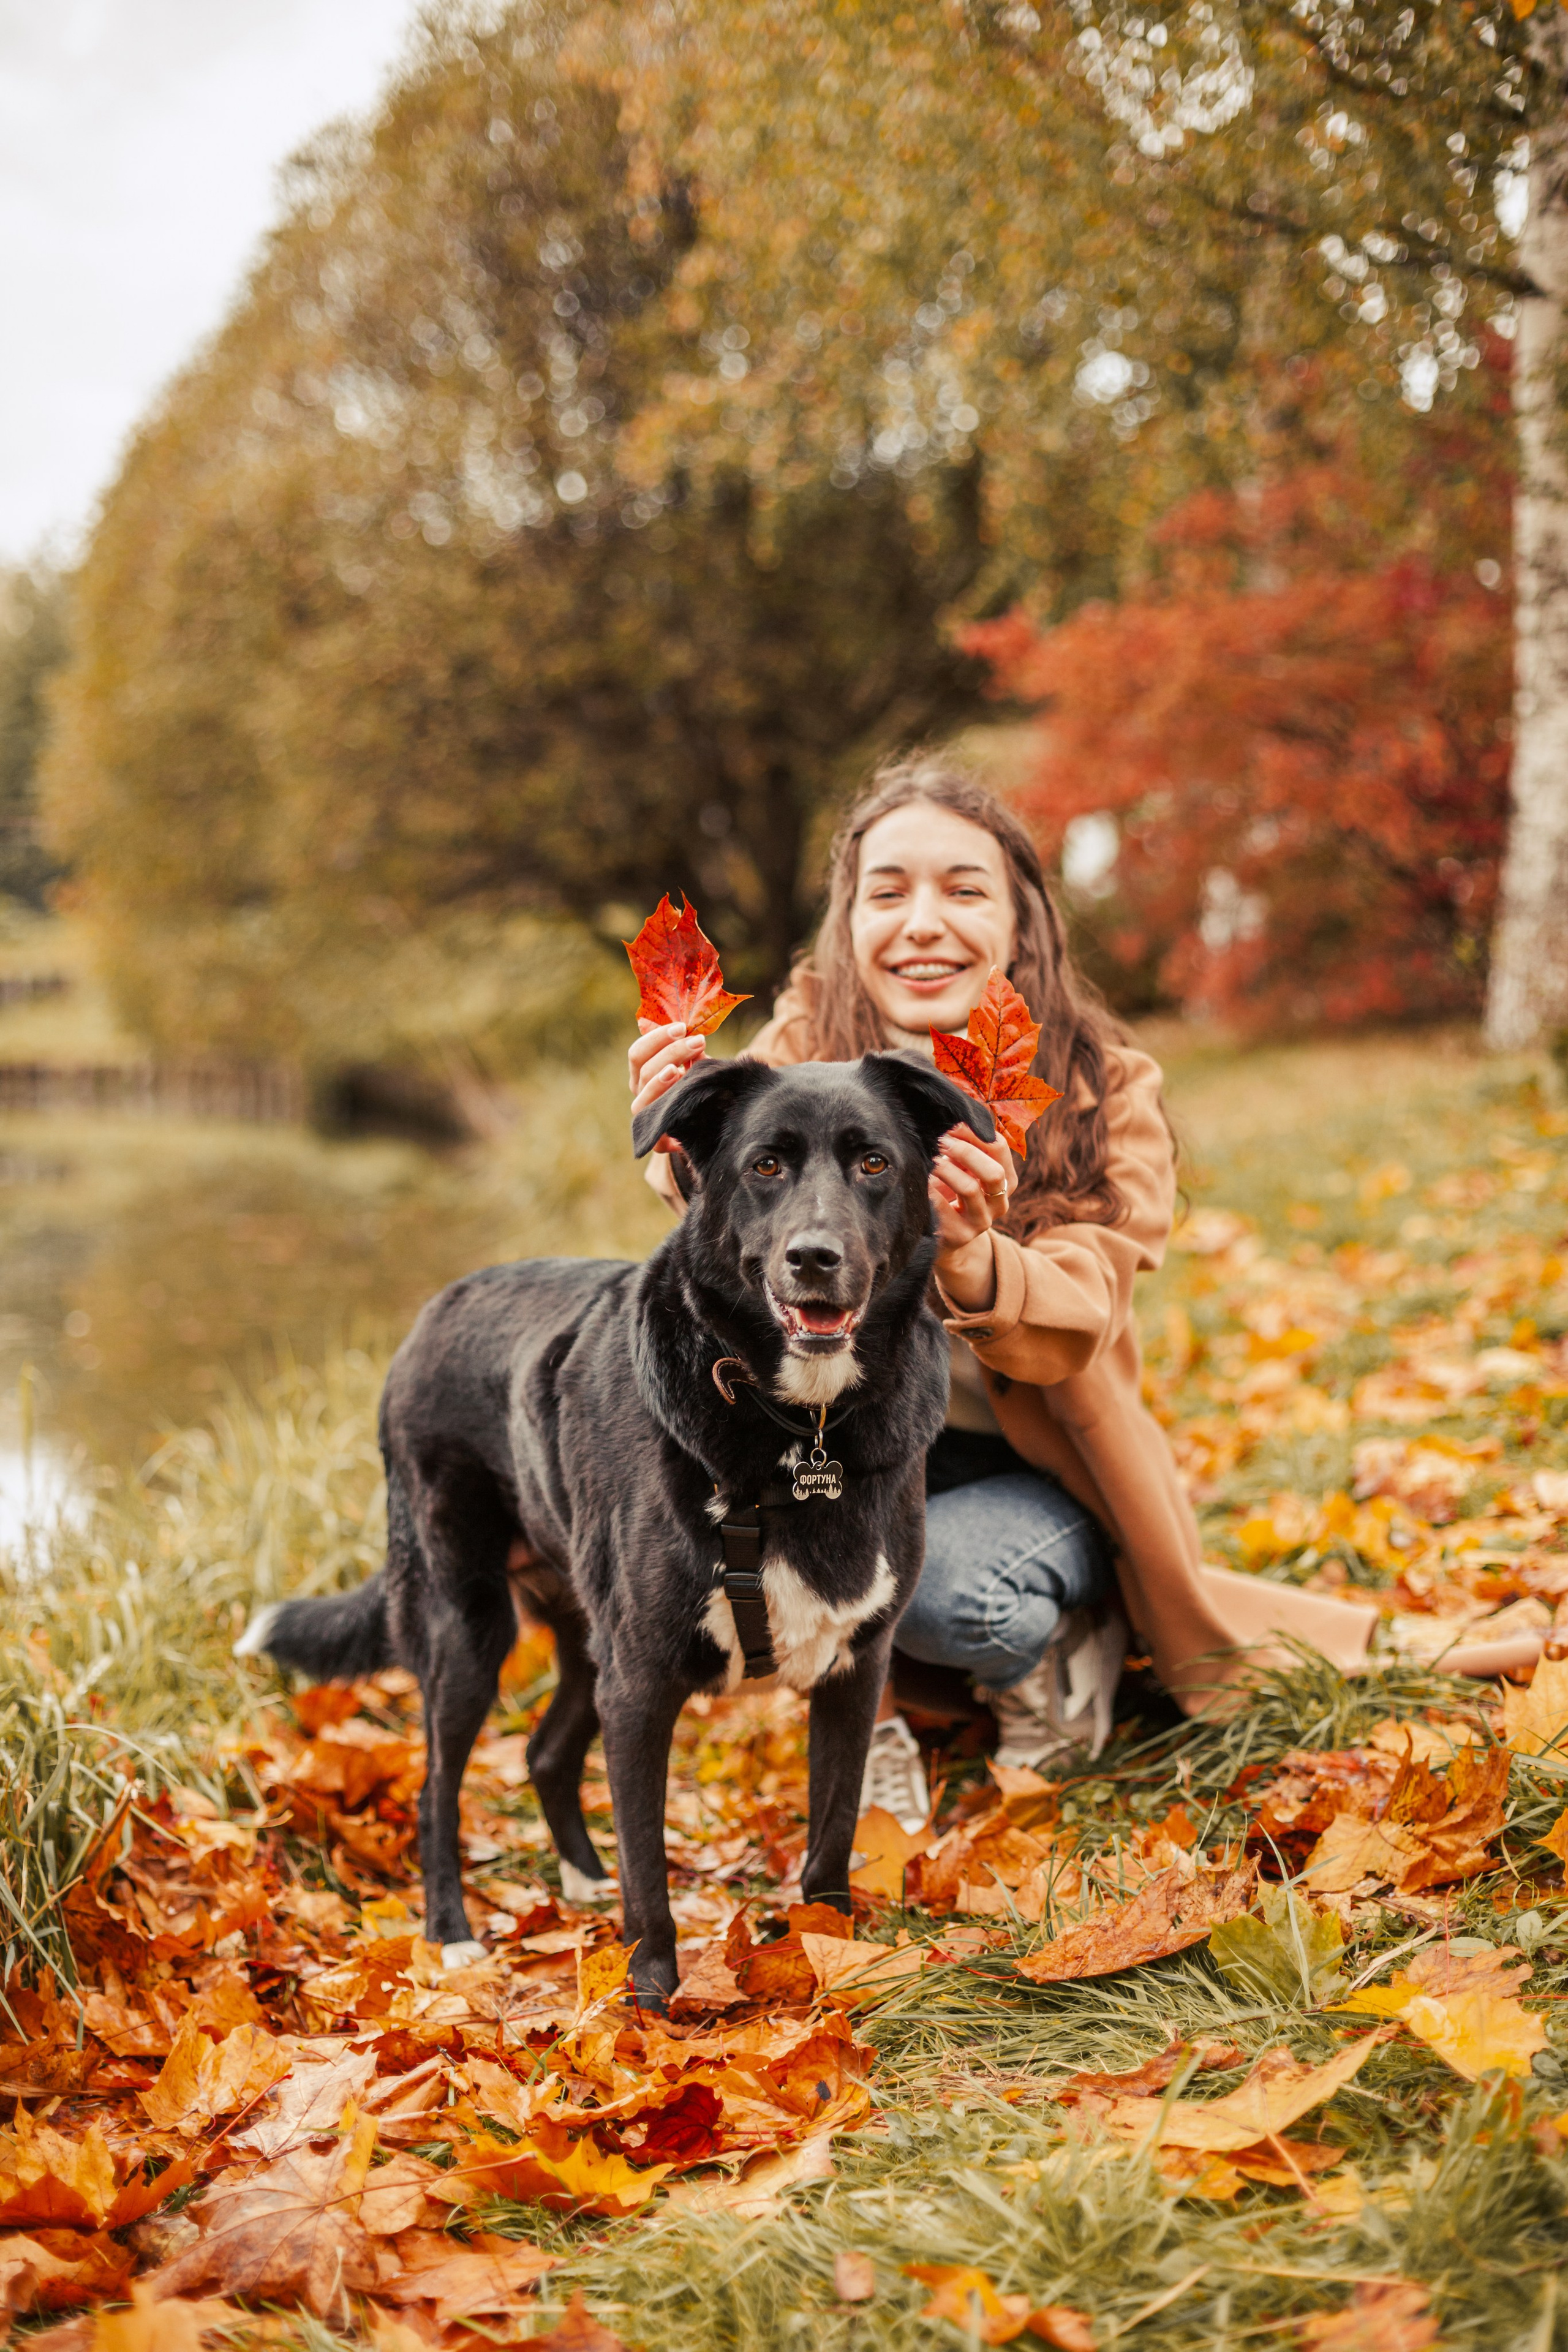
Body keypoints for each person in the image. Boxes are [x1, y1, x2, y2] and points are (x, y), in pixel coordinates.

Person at [628, 757, 1544, 1831]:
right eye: (889, 892)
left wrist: (971, 1255)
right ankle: (875, 1718)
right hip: (837, 1442)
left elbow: (1082, 1314)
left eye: (963, 890)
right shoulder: (793, 1052)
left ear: (1021, 923)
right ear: (848, 924)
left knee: (934, 1586)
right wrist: (674, 1151)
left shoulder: (1108, 1088)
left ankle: (1068, 1639)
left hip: (1027, 1465)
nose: (923, 922)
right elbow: (733, 1212)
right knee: (757, 1535)